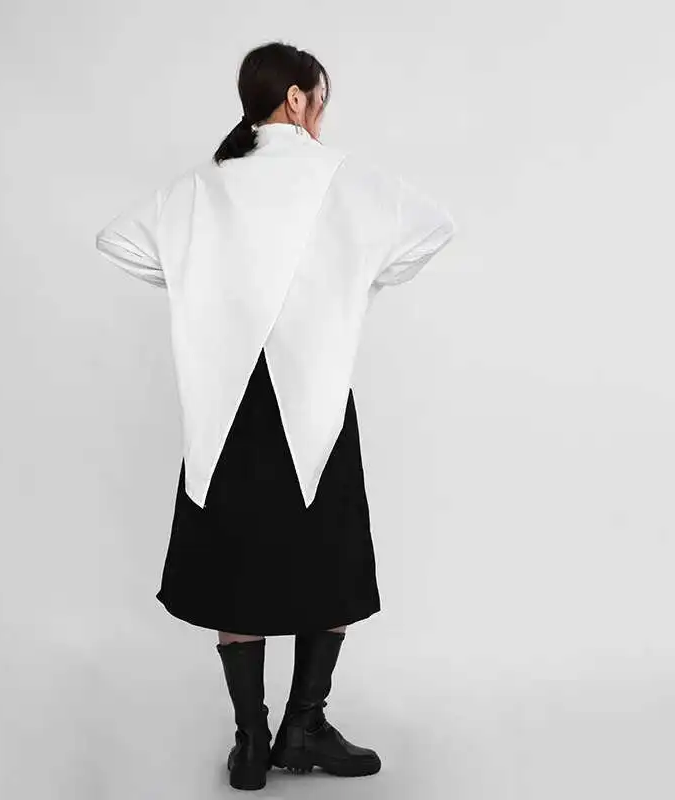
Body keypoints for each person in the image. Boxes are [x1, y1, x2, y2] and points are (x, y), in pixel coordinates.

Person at [95, 41, 456, 791]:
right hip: (314, 401)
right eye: (320, 99)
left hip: (226, 409)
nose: (322, 113)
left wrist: (199, 284)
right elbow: (434, 227)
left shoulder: (205, 183)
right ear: (296, 98)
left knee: (237, 571)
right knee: (332, 564)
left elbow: (118, 240)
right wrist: (355, 280)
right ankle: (304, 726)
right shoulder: (345, 177)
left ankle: (252, 743)